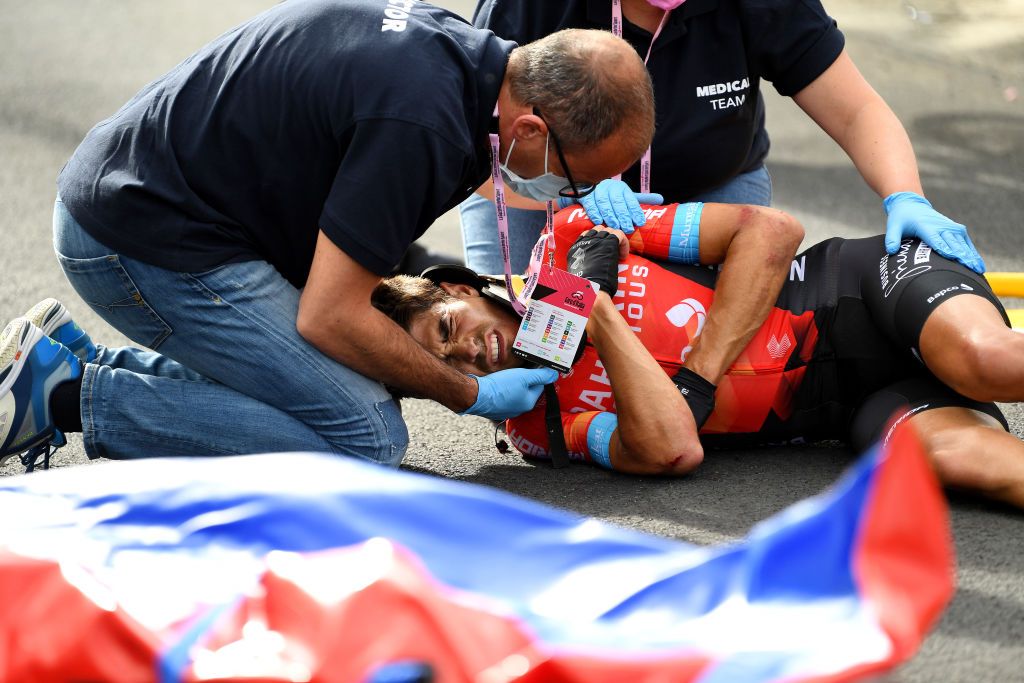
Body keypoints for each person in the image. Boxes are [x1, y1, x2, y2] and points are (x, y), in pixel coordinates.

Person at [0, 1, 657, 469]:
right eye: (575, 181)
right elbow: (328, 314)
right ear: (533, 131)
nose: (568, 197)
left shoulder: (469, 67)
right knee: (365, 435)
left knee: (319, 392)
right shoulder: (424, 124)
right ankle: (67, 397)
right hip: (133, 239)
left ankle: (69, 360)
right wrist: (468, 391)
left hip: (153, 199)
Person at [373, 202, 1024, 508]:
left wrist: (696, 374)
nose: (470, 352)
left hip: (865, 289)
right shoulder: (541, 430)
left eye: (449, 326)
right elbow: (671, 447)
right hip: (860, 407)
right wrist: (593, 315)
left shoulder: (574, 233)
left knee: (984, 360)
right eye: (448, 365)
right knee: (966, 464)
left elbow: (771, 231)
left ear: (458, 290)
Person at [459, 0, 985, 279]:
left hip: (711, 187)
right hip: (540, 191)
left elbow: (856, 111)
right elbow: (470, 146)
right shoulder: (527, 4)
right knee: (527, 358)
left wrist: (906, 195)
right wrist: (565, 195)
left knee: (707, 356)